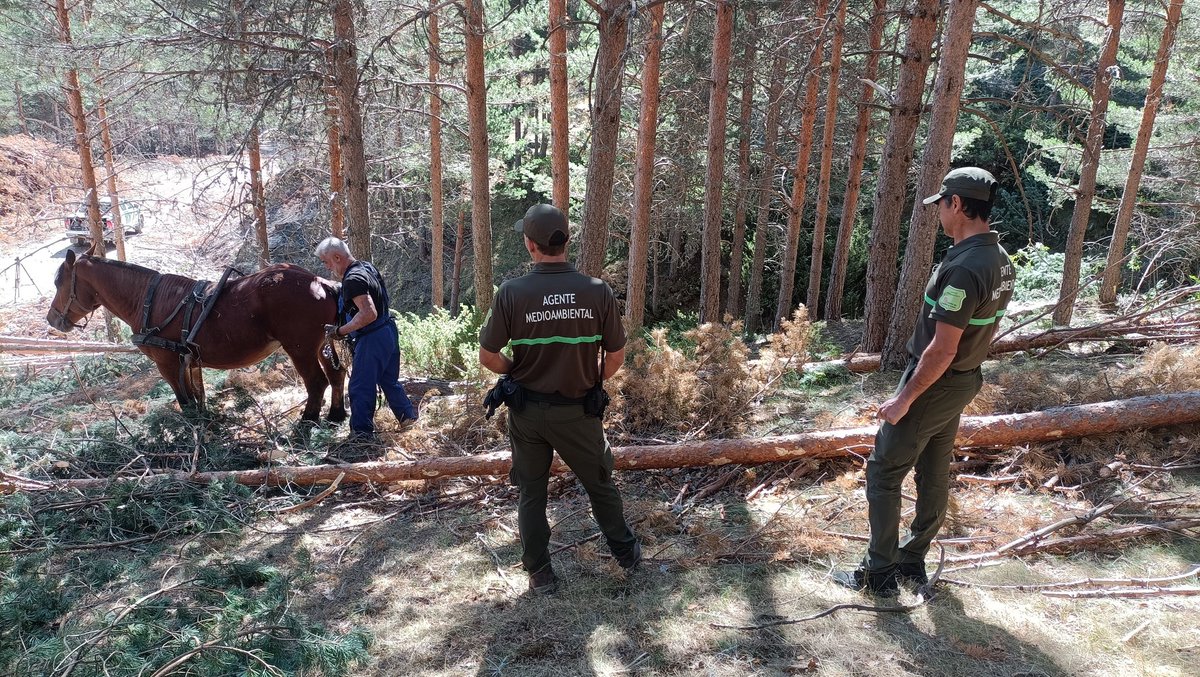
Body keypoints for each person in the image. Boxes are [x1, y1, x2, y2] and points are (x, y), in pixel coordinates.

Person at [835, 167, 1015, 596]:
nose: (939, 214)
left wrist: (903, 400)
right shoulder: (998, 259)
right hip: (961, 381)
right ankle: (911, 561)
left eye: (942, 205)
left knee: (883, 472)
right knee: (934, 469)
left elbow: (942, 348)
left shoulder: (967, 267)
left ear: (957, 204)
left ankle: (878, 574)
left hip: (936, 381)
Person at [478, 203, 640, 595]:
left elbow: (488, 356)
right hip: (578, 413)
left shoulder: (512, 293)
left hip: (527, 413)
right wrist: (587, 377)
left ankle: (540, 573)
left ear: (530, 245)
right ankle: (628, 556)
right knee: (600, 485)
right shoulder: (597, 291)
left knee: (532, 494)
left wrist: (515, 369)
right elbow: (617, 356)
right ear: (567, 240)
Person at [315, 237, 417, 453]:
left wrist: (340, 331)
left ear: (337, 257)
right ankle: (410, 421)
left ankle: (361, 439)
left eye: (327, 262)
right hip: (388, 332)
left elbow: (369, 313)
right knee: (389, 381)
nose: (327, 267)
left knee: (360, 387)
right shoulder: (366, 267)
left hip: (372, 337)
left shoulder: (353, 280)